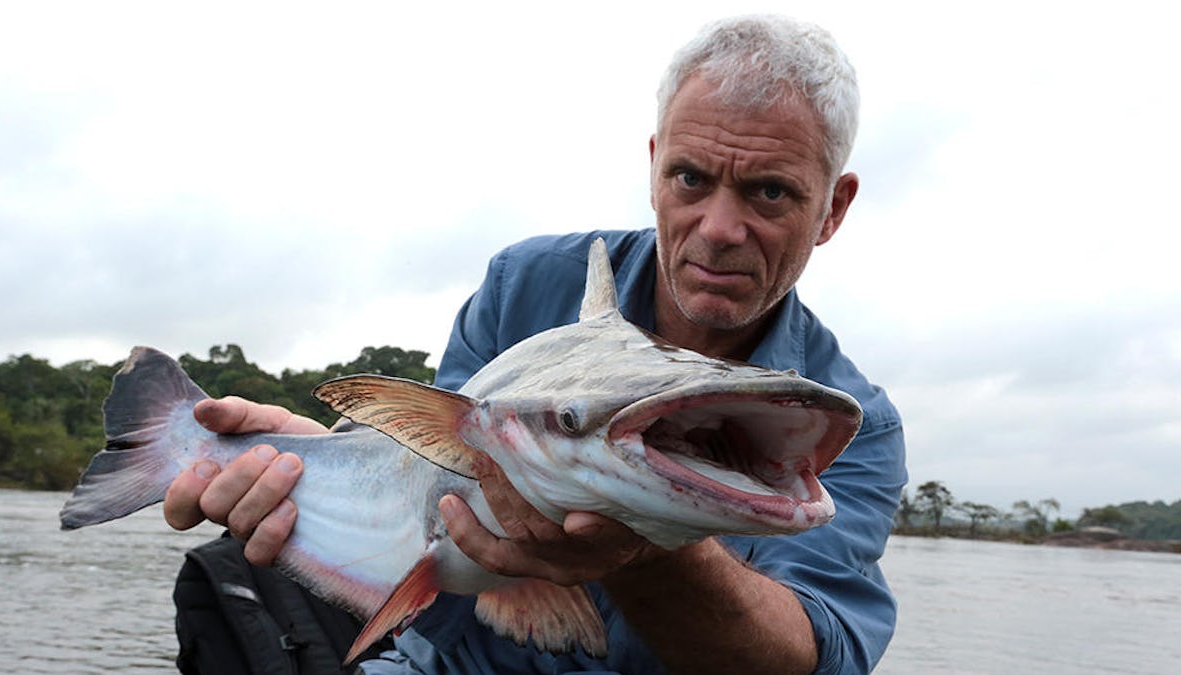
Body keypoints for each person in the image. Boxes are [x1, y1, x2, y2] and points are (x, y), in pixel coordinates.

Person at [164, 14, 907, 675]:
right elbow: (427, 482)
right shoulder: (524, 284)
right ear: (653, 166)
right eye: (690, 176)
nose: (717, 226)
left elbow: (819, 654)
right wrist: (322, 459)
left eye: (769, 192)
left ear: (833, 207)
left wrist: (645, 554)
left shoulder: (855, 424)